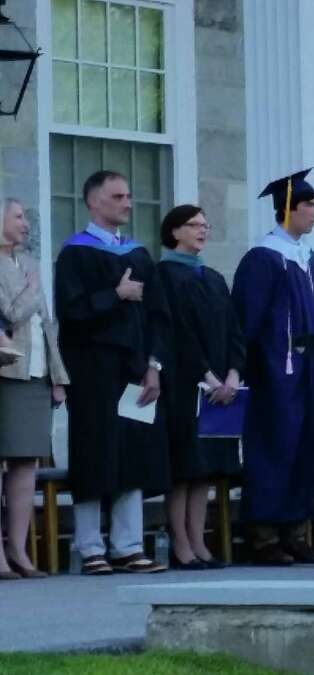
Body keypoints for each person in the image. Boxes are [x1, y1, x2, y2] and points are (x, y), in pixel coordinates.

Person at [54, 170, 169, 575]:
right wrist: (115, 295)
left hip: (134, 370)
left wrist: (154, 366)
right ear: (94, 202)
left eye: (129, 195)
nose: (127, 203)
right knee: (93, 453)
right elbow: (70, 314)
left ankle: (128, 546)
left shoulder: (138, 254)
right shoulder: (75, 253)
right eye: (118, 196)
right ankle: (90, 548)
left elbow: (158, 316)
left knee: (132, 453)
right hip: (91, 373)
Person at [232, 169, 314, 565]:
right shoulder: (263, 257)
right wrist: (242, 367)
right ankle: (264, 535)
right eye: (310, 206)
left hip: (309, 370)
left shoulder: (310, 259)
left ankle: (295, 529)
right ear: (288, 209)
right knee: (275, 446)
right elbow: (246, 320)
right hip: (275, 370)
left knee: (307, 446)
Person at [157, 205, 245, 570]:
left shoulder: (211, 277)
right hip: (185, 384)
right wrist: (208, 377)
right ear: (174, 232)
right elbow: (178, 333)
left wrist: (234, 375)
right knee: (184, 468)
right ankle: (181, 543)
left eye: (206, 225)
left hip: (221, 385)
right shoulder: (163, 275)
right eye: (194, 225)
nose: (202, 231)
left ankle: (199, 539)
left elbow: (234, 329)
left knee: (205, 469)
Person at [0, 198, 69, 579]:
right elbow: (10, 314)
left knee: (26, 462)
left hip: (36, 373)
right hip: (7, 373)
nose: (26, 223)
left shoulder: (28, 265)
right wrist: (31, 290)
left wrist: (58, 378)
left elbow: (47, 325)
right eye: (18, 216)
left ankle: (20, 550)